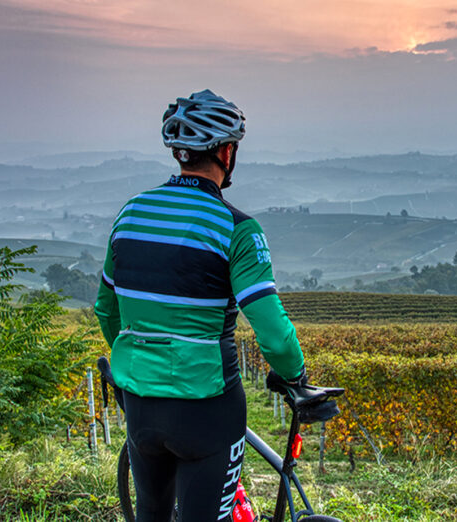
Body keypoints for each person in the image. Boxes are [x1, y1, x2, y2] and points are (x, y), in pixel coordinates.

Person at [94, 89, 306, 522]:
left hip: (140, 403)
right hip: (207, 404)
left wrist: (136, 360)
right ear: (227, 152)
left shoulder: (131, 213)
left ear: (180, 152)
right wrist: (296, 376)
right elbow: (273, 333)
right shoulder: (237, 228)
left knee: (152, 514)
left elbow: (106, 309)